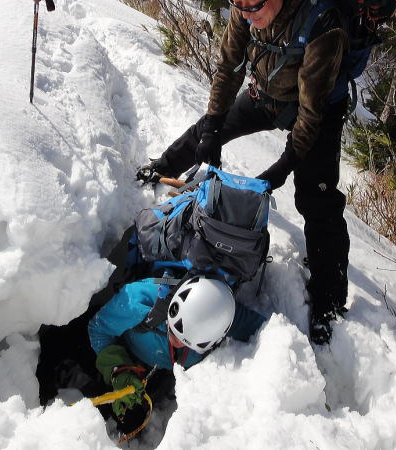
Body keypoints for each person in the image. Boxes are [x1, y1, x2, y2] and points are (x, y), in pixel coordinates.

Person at [136, 0, 350, 345]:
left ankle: (329, 299)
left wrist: (285, 164)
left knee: (317, 199)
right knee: (206, 131)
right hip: (266, 95)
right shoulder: (245, 6)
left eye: (253, 6)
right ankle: (160, 169)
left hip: (318, 111)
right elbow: (229, 67)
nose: (247, 14)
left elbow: (311, 113)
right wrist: (212, 127)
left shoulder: (323, 22)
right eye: (239, 5)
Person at [87, 274, 266, 424]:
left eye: (186, 342)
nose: (178, 343)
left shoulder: (220, 317)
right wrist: (119, 369)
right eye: (173, 331)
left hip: (160, 370)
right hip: (130, 356)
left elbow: (269, 330)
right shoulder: (139, 300)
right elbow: (98, 329)